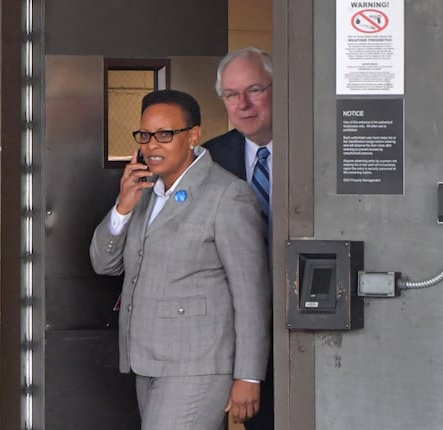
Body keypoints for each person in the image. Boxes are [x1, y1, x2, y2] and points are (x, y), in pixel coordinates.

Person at [89, 89, 271, 430]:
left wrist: (249, 375)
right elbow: (104, 263)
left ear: (194, 136)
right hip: (146, 362)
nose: (152, 145)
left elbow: (251, 293)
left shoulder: (227, 195)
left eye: (165, 134)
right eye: (145, 135)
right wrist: (123, 206)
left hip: (198, 365)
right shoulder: (144, 192)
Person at [203, 47, 275, 430]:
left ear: (279, 89)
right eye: (231, 95)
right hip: (232, 329)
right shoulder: (208, 159)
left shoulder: (315, 150)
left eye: (255, 90)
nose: (243, 104)